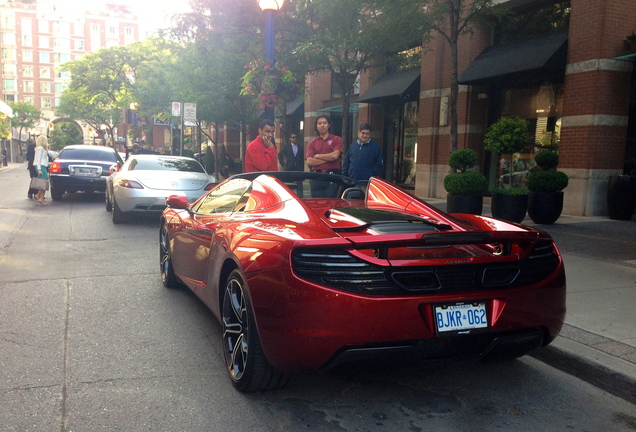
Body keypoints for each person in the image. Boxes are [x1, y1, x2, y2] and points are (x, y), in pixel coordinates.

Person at [305, 115, 344, 197]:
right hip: (316, 176)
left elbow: (335, 156)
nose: (322, 125)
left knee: (331, 203)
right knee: (316, 204)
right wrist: (329, 158)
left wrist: (318, 156)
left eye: (324, 123)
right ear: (316, 126)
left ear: (329, 125)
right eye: (319, 123)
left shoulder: (337, 139)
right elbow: (309, 161)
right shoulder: (312, 143)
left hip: (332, 176)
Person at [33, 135, 50, 205]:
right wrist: (39, 169)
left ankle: (38, 195)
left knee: (42, 183)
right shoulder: (40, 148)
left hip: (42, 166)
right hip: (41, 167)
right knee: (44, 182)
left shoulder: (41, 148)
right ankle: (41, 198)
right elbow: (38, 159)